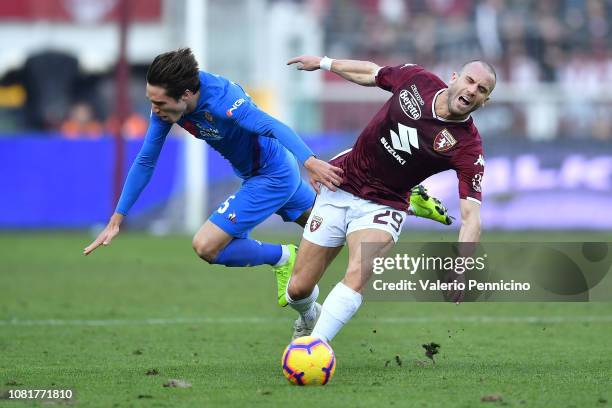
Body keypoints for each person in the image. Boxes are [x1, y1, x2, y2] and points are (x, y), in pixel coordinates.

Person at [83, 48, 453, 307]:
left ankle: (281, 257)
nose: (154, 110)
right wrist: (118, 217)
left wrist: (308, 159)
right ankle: (404, 198)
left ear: (187, 94)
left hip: (271, 175)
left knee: (206, 245)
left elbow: (271, 125)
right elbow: (146, 159)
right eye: (151, 101)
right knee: (337, 228)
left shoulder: (224, 100)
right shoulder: (169, 108)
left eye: (160, 103)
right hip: (268, 176)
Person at [284, 55, 495, 340]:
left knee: (359, 271)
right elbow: (372, 73)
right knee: (297, 290)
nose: (472, 90)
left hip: (386, 203)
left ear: (485, 101)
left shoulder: (469, 147)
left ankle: (314, 347)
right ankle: (309, 316)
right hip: (342, 181)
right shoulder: (417, 80)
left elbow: (472, 218)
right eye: (470, 81)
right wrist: (324, 63)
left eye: (482, 90)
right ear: (455, 77)